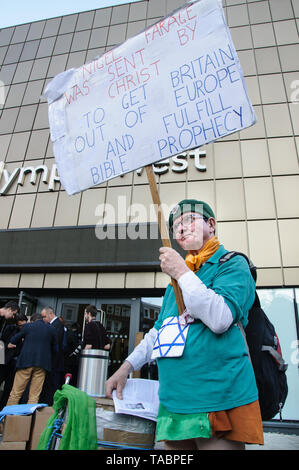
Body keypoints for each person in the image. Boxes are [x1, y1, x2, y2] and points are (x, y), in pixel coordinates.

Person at [106, 199, 264, 450]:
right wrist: (126, 367)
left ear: (211, 225)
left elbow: (221, 318)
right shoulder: (176, 284)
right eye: (176, 225)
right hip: (173, 400)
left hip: (216, 396)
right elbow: (159, 331)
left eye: (189, 219)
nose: (180, 228)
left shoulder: (232, 264)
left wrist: (181, 273)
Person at [6, 313, 57, 405]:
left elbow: (13, 340)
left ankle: (9, 418)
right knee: (34, 396)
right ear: (42, 319)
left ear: (32, 320)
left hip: (25, 363)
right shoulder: (51, 329)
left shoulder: (27, 326)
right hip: (42, 365)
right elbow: (56, 349)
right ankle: (29, 418)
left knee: (16, 393)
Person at [0, 313, 28, 409]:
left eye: (24, 325)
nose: (22, 327)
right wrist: (7, 345)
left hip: (16, 363)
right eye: (21, 325)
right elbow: (2, 341)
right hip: (5, 361)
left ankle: (3, 408)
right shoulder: (10, 329)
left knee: (9, 387)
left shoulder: (27, 331)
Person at [39, 306, 65, 405]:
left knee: (51, 388)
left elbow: (55, 344)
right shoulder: (54, 324)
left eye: (44, 316)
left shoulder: (57, 325)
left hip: (54, 363)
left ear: (51, 314)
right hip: (51, 363)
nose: (43, 319)